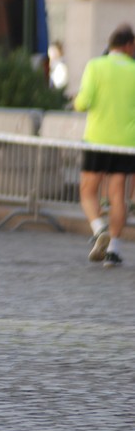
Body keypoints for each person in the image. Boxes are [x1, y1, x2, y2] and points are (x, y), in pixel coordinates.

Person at [74, 23, 135, 267]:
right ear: (129, 45)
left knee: (88, 191)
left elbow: (83, 103)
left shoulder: (95, 66)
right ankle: (114, 250)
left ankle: (99, 230)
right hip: (127, 141)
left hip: (97, 138)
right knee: (117, 194)